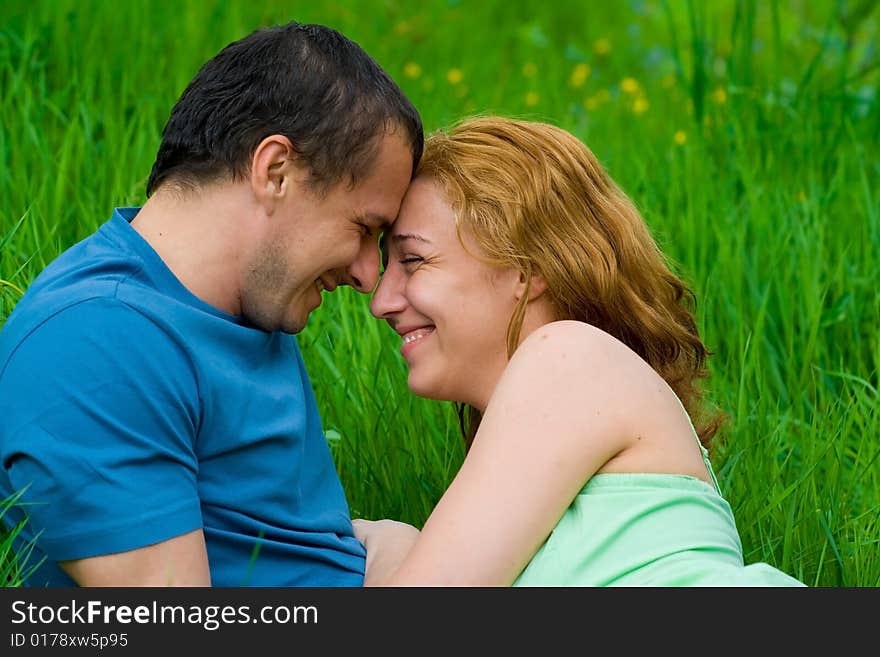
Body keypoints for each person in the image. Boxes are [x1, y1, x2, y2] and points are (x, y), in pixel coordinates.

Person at [0, 21, 423, 586]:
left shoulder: (243, 310)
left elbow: (283, 549)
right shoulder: (97, 342)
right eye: (364, 228)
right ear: (276, 171)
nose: (369, 276)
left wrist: (386, 548)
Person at [356, 116, 805, 586]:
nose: (381, 302)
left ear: (526, 268)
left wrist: (393, 545)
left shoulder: (568, 358)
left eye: (412, 260)